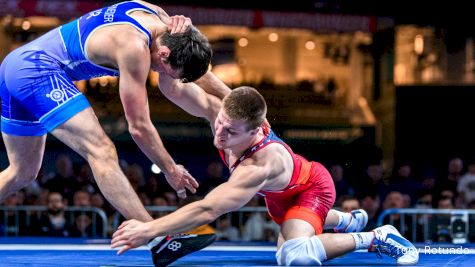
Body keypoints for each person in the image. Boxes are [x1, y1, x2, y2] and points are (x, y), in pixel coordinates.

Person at [0, 1, 220, 265]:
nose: (162, 75)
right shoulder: (134, 47)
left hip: (15, 64)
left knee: (21, 173)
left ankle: (158, 240)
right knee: (101, 150)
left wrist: (238, 103)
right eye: (166, 71)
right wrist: (170, 169)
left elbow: (195, 72)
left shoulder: (159, 19)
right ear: (163, 54)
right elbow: (138, 126)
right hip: (36, 70)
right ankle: (159, 241)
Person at [111, 77, 419, 265]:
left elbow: (207, 209)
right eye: (220, 124)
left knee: (295, 257)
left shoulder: (259, 165)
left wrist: (149, 230)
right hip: (280, 198)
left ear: (257, 131)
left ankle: (377, 237)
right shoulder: (226, 116)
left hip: (312, 188)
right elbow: (176, 87)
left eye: (230, 132)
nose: (219, 136)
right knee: (291, 247)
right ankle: (347, 220)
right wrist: (164, 56)